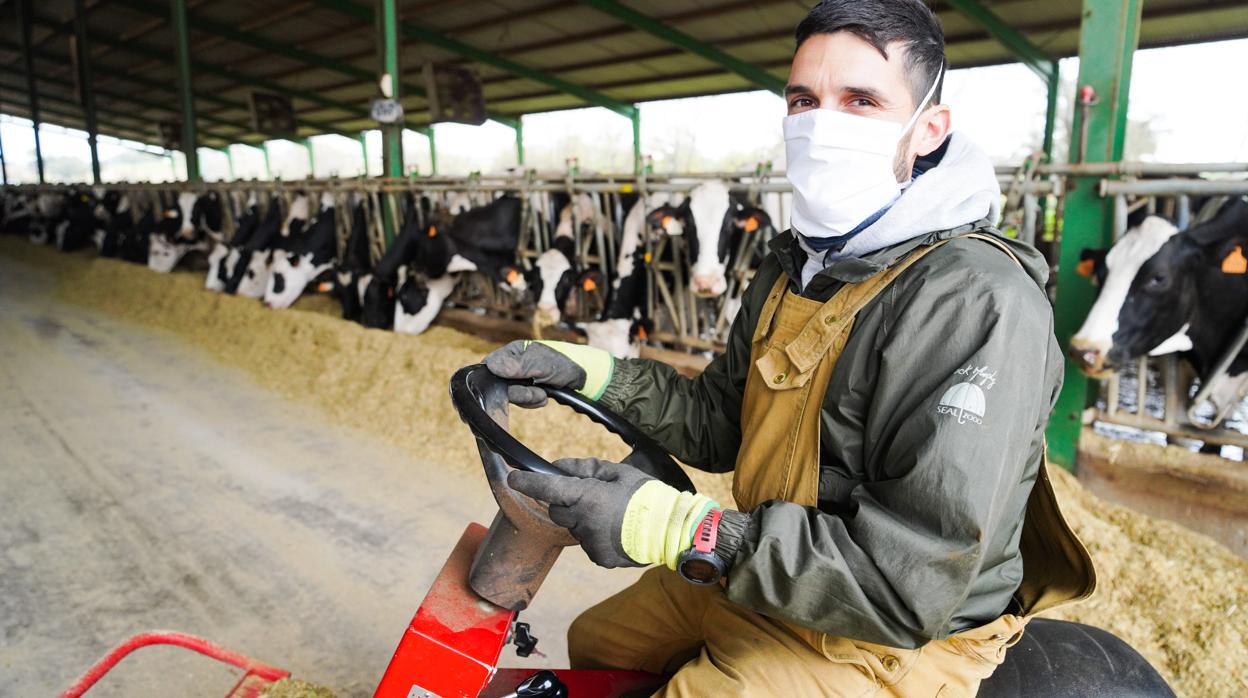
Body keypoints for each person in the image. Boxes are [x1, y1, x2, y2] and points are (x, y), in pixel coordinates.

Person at [483, 1, 1095, 695]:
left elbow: (910, 583)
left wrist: (682, 529)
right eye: (804, 100)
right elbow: (721, 422)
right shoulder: (798, 264)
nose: (822, 125)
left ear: (928, 129)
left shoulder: (975, 301)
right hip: (774, 570)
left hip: (884, 631)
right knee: (599, 641)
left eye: (861, 100)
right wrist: (588, 371)